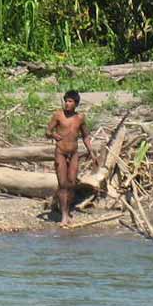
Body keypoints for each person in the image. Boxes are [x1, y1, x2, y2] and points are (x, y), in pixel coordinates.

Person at [46, 90, 98, 226]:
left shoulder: (80, 118)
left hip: (74, 153)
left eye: (70, 101)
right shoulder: (58, 115)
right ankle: (64, 215)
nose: (67, 104)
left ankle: (66, 209)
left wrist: (91, 152)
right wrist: (53, 135)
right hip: (61, 153)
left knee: (72, 184)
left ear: (76, 104)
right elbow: (47, 131)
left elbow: (85, 136)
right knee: (63, 184)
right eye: (66, 101)